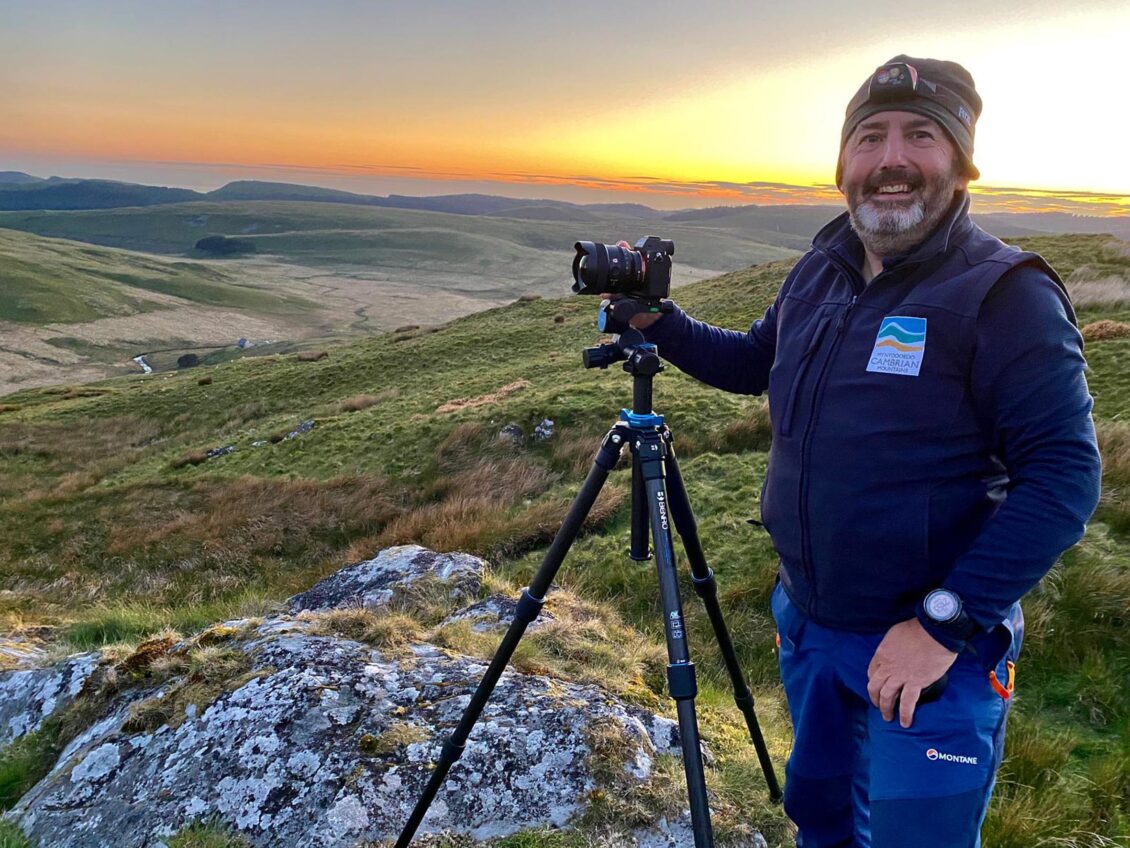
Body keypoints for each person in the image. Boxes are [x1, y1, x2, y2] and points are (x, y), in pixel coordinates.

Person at [626, 56, 1102, 846]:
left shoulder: (1005, 293)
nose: (891, 159)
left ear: (961, 161)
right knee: (820, 820)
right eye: (870, 136)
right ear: (843, 161)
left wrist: (942, 626)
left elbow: (1065, 477)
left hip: (929, 652)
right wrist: (660, 323)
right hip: (810, 626)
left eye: (921, 135)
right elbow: (753, 362)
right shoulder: (822, 268)